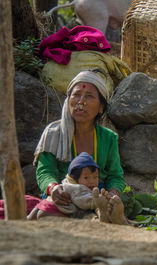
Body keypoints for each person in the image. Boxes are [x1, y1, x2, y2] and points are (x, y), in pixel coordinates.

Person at [34, 70, 126, 209]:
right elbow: (45, 171)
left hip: (96, 197)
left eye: (89, 96)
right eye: (76, 95)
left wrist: (113, 194)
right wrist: (53, 188)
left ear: (101, 107)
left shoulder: (108, 138)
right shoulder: (53, 133)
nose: (81, 102)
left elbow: (115, 176)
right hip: (63, 197)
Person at [28, 152, 127, 224]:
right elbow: (83, 201)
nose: (92, 181)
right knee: (85, 218)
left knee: (34, 215)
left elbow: (116, 176)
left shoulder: (68, 183)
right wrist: (97, 201)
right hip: (55, 210)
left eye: (95, 177)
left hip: (45, 205)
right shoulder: (77, 188)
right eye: (86, 178)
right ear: (74, 178)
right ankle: (100, 220)